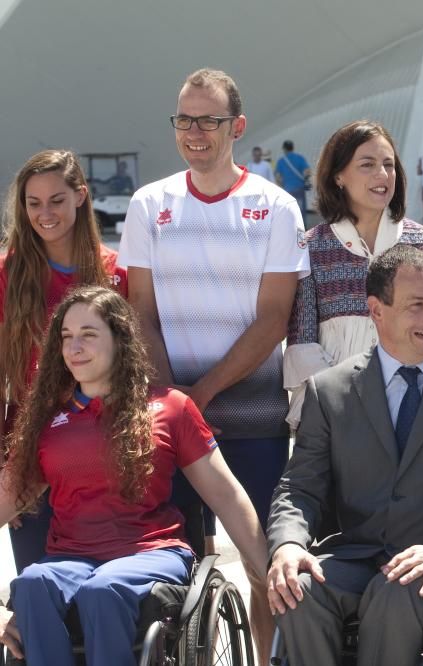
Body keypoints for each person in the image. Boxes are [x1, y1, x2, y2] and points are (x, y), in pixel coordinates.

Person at [118, 67, 309, 664]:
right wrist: (175, 401)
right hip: (171, 418)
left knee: (262, 565)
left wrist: (198, 394)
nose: (194, 131)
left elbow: (274, 319)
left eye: (208, 120)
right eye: (184, 119)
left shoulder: (276, 205)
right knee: (179, 568)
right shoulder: (151, 203)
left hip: (253, 417)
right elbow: (140, 312)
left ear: (237, 127)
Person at [266, 244, 423, 665]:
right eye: (417, 305)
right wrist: (288, 545)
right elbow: (299, 487)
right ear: (376, 310)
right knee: (298, 588)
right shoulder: (329, 391)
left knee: (397, 591)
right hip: (358, 555)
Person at [0, 286, 268, 664]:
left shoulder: (170, 407)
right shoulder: (49, 421)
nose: (74, 347)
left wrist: (268, 572)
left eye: (88, 335)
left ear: (120, 339)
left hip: (151, 552)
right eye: (66, 337)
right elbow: (7, 496)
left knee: (104, 590)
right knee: (31, 585)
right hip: (72, 558)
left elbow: (225, 495)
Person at [0, 149, 128, 575]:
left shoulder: (114, 273)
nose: (44, 213)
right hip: (30, 448)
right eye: (32, 203)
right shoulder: (8, 273)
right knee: (38, 594)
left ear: (80, 196)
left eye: (56, 199)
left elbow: (132, 367)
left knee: (100, 592)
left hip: (100, 448)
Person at [283, 120, 423, 428]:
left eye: (388, 164)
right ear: (338, 176)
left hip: (413, 405)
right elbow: (302, 337)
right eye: (367, 165)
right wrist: (345, 401)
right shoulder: (312, 246)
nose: (382, 175)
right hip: (334, 412)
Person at [275, 139, 312, 219]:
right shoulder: (300, 158)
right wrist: (305, 180)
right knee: (300, 210)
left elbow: (278, 177)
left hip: (287, 190)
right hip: (299, 189)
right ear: (293, 148)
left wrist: (282, 186)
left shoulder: (281, 161)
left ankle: (291, 228)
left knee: (289, 211)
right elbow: (307, 171)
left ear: (284, 149)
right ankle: (302, 229)